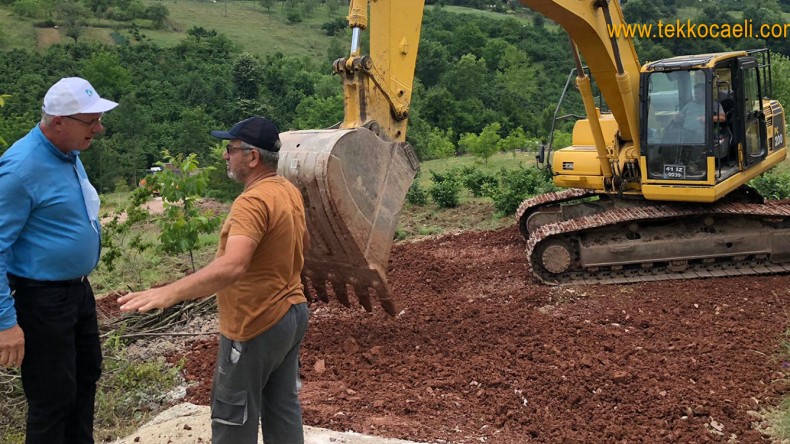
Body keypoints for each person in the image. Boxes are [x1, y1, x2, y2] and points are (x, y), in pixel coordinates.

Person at [118, 116, 310, 444]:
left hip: (256, 323)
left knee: (231, 416)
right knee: (282, 408)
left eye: (230, 149)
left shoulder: (252, 202)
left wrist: (171, 292)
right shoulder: (287, 190)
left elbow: (233, 266)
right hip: (292, 314)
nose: (225, 156)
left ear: (252, 157)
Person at [0, 77, 118, 443]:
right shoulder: (19, 170)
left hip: (77, 293)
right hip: (42, 300)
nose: (98, 129)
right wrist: (5, 322)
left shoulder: (69, 153)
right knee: (53, 398)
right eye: (90, 121)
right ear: (58, 122)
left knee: (85, 381)